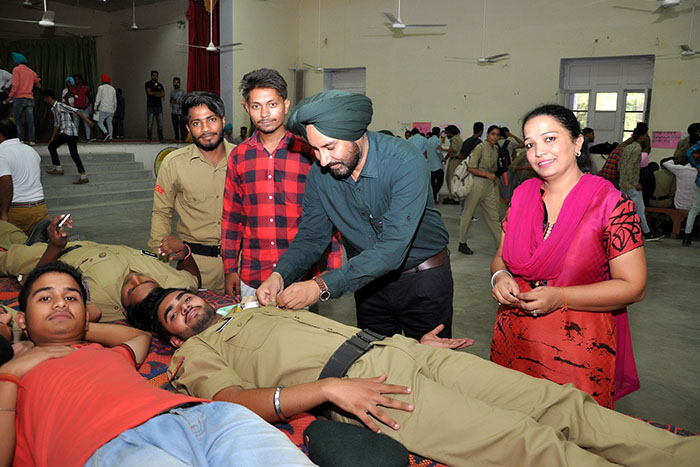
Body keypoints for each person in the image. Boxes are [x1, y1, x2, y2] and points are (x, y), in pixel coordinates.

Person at [127, 287, 699, 467]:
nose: (184, 307)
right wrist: (326, 392)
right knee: (527, 444)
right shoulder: (195, 353)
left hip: (403, 350)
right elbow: (232, 400)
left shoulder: (252, 310)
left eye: (183, 297)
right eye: (172, 314)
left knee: (559, 403)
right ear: (171, 336)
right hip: (368, 390)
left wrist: (411, 345)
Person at [0, 262, 314, 467]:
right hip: (106, 449)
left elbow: (139, 337)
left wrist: (76, 328)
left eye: (71, 298)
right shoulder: (12, 375)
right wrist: (10, 373)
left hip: (201, 419)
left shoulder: (104, 352)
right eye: (45, 298)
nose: (60, 303)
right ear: (22, 319)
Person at [257, 90, 453, 339]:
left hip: (422, 280)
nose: (323, 160)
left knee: (428, 359)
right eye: (315, 150)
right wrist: (280, 275)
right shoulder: (320, 174)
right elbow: (311, 237)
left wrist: (320, 286)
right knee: (372, 358)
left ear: (357, 134)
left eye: (330, 147)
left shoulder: (404, 161)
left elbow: (392, 248)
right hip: (365, 281)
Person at [489, 104, 648, 409]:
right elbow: (501, 258)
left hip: (576, 351)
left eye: (549, 139)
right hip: (513, 339)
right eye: (530, 144)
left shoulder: (611, 204)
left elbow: (634, 287)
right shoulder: (522, 196)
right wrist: (500, 276)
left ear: (577, 143)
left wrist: (560, 297)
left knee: (570, 430)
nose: (538, 152)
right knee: (512, 426)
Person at [222, 69, 341, 301]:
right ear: (246, 108)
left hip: (301, 278)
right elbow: (232, 217)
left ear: (286, 105)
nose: (265, 113)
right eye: (256, 106)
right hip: (253, 275)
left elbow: (329, 213)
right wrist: (230, 268)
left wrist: (333, 268)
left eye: (272, 104)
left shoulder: (309, 153)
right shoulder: (238, 156)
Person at [0, 215, 200, 322]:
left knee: (9, 251)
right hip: (89, 245)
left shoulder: (98, 301)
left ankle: (31, 241)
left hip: (52, 256)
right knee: (14, 238)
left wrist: (54, 246)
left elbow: (38, 285)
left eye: (130, 289)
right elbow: (193, 278)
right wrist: (184, 253)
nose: (134, 278)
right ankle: (31, 238)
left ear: (124, 311)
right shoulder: (173, 284)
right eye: (145, 279)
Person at [149, 92, 234, 292]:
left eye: (211, 120)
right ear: (188, 128)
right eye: (196, 123)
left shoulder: (243, 158)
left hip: (240, 266)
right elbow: (161, 212)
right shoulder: (174, 163)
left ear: (223, 121)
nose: (205, 129)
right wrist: (160, 261)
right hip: (194, 266)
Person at [457, 125, 503, 255]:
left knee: (493, 216)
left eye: (497, 135)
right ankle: (462, 242)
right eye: (493, 134)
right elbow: (470, 168)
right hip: (477, 183)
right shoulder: (480, 147)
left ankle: (502, 245)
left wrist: (492, 177)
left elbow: (494, 168)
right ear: (487, 134)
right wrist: (487, 174)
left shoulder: (495, 149)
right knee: (467, 214)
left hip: (489, 185)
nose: (495, 137)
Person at [0, 120, 48, 234]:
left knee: (12, 245)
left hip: (17, 211)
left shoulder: (2, 153)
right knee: (39, 244)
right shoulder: (31, 150)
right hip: (40, 208)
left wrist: (4, 213)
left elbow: (6, 183)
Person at [619, 127, 663, 241]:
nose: (647, 138)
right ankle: (647, 233)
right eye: (646, 135)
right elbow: (630, 167)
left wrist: (623, 180)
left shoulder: (627, 147)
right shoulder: (637, 148)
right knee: (639, 209)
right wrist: (635, 183)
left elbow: (620, 165)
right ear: (641, 137)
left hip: (623, 183)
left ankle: (624, 231)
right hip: (631, 185)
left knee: (625, 210)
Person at [41, 90, 91, 185]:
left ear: (49, 97)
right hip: (70, 133)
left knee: (52, 147)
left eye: (44, 98)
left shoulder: (60, 105)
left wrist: (87, 121)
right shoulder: (53, 109)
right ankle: (83, 176)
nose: (44, 101)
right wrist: (52, 138)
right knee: (73, 154)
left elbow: (75, 110)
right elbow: (56, 124)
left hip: (67, 132)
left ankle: (59, 168)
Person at [5, 53, 40, 145]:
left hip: (19, 99)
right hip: (30, 99)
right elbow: (38, 85)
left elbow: (15, 85)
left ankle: (21, 139)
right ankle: (31, 140)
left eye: (14, 60)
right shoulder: (31, 71)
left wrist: (10, 96)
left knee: (19, 120)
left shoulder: (16, 69)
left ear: (17, 61)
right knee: (30, 121)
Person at [681, 135, 700, 246]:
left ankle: (686, 236)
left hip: (699, 181)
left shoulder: (697, 146)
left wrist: (696, 164)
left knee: (694, 209)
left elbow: (689, 153)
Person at [440, 124, 463, 204]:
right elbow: (451, 151)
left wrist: (442, 149)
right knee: (449, 178)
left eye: (447, 133)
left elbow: (454, 150)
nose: (446, 135)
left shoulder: (454, 139)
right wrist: (445, 158)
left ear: (451, 132)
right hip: (453, 160)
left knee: (451, 179)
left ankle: (453, 198)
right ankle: (451, 196)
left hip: (455, 161)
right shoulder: (457, 138)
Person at [94, 74, 117, 142]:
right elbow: (115, 100)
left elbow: (98, 98)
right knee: (109, 124)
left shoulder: (101, 87)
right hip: (111, 109)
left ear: (102, 81)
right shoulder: (113, 89)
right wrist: (114, 109)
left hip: (103, 108)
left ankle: (106, 133)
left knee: (100, 123)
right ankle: (111, 138)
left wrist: (95, 107)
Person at [71, 74, 94, 142]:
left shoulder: (85, 89)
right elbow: (66, 97)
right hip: (76, 109)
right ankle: (75, 139)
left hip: (84, 109)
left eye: (77, 79)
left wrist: (86, 105)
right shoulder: (72, 88)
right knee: (76, 125)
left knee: (86, 124)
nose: (76, 81)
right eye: (75, 79)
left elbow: (90, 98)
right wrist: (70, 105)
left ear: (80, 80)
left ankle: (88, 139)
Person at [425, 127, 444, 203]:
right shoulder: (438, 140)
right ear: (439, 133)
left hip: (430, 165)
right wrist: (442, 158)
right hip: (437, 165)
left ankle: (433, 197)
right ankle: (434, 194)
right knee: (440, 181)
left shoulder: (428, 140)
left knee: (432, 182)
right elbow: (438, 151)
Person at [145, 70, 164, 143]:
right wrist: (157, 93)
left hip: (159, 107)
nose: (155, 77)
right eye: (153, 75)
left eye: (156, 76)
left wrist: (154, 93)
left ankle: (161, 139)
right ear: (151, 76)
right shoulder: (148, 84)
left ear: (157, 76)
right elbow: (149, 93)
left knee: (160, 124)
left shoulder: (160, 85)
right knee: (150, 124)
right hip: (150, 106)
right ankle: (149, 139)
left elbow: (162, 95)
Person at [170, 77, 186, 142]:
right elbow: (171, 100)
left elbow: (184, 101)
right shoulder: (172, 92)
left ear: (179, 83)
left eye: (177, 83)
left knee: (181, 126)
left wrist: (177, 101)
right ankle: (176, 138)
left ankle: (183, 139)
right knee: (175, 126)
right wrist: (172, 100)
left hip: (180, 112)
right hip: (173, 111)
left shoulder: (183, 91)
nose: (176, 84)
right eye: (175, 82)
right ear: (173, 83)